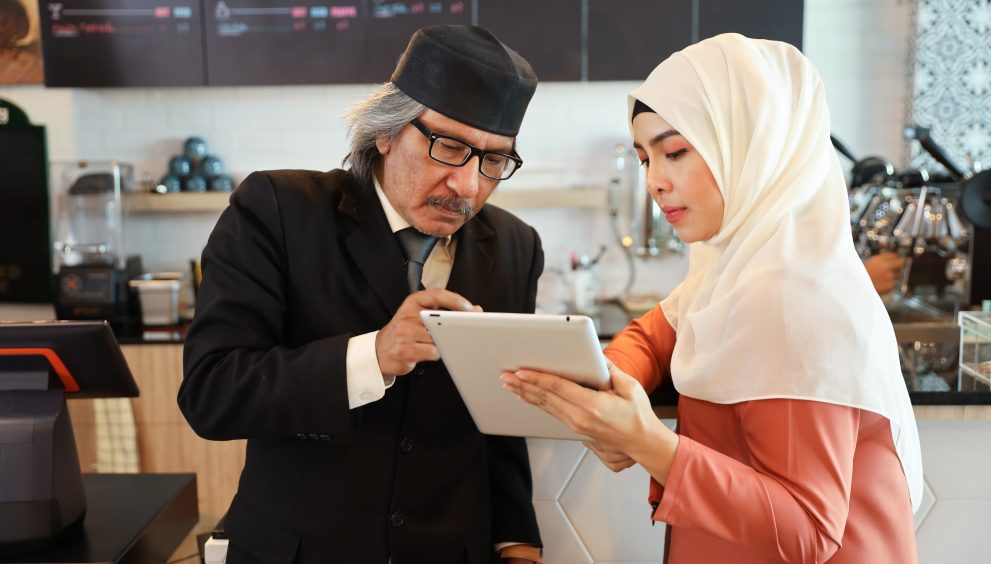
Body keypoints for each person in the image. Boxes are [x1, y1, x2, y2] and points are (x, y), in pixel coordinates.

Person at [501, 34, 922, 562]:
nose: (655, 181)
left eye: (675, 152)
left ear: (751, 145)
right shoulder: (735, 267)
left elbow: (809, 531)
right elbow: (653, 335)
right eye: (645, 159)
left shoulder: (795, 297)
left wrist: (644, 441)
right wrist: (609, 390)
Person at [179, 25, 544, 564]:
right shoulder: (278, 211)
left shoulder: (514, 246)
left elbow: (501, 419)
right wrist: (372, 355)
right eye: (448, 147)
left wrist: (517, 544)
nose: (468, 187)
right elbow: (212, 394)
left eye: (494, 161)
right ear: (387, 133)